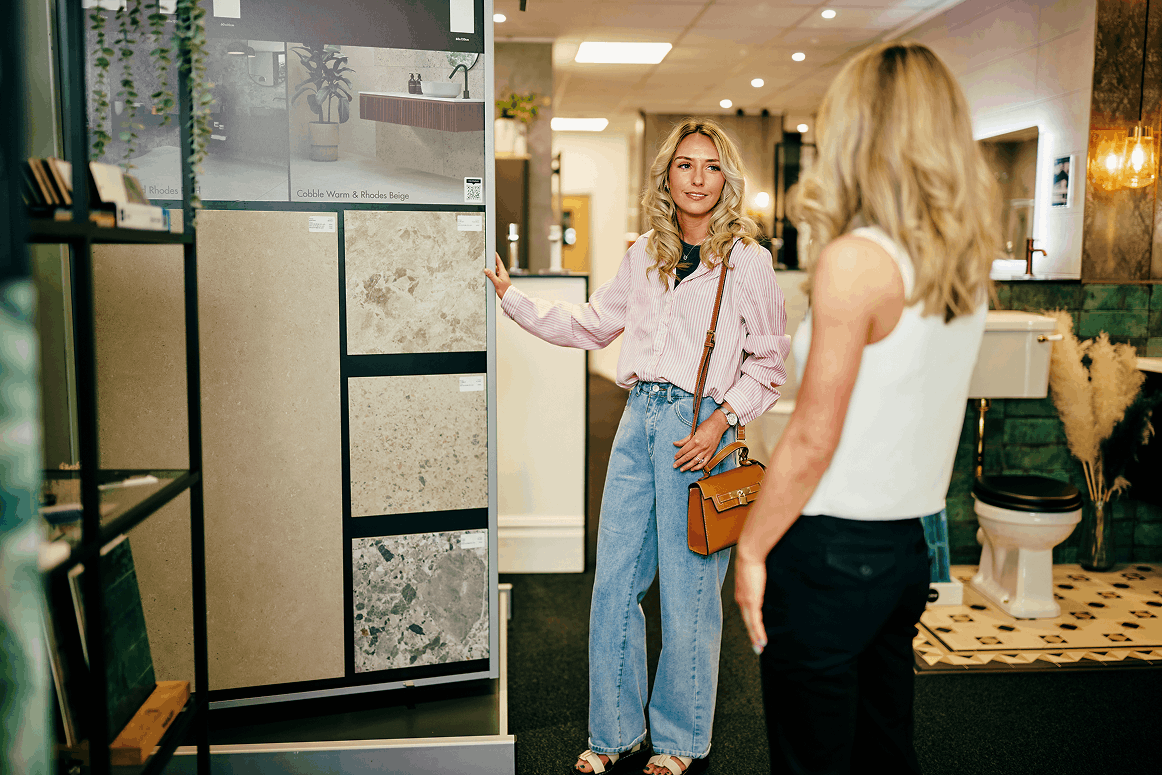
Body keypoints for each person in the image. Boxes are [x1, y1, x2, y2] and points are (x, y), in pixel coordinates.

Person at [485, 118, 789, 775]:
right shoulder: (645, 254)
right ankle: (613, 731)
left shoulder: (749, 263)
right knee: (615, 580)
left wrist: (721, 422)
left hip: (698, 431)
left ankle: (679, 739)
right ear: (668, 176)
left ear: (726, 178)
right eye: (685, 165)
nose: (698, 177)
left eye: (710, 166)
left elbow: (769, 362)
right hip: (637, 419)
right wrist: (513, 299)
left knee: (688, 591)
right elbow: (593, 323)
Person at [733, 41, 1000, 774]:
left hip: (826, 554)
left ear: (859, 129)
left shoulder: (857, 259)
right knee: (884, 751)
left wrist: (752, 548)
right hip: (904, 552)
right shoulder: (962, 264)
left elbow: (814, 437)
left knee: (812, 758)